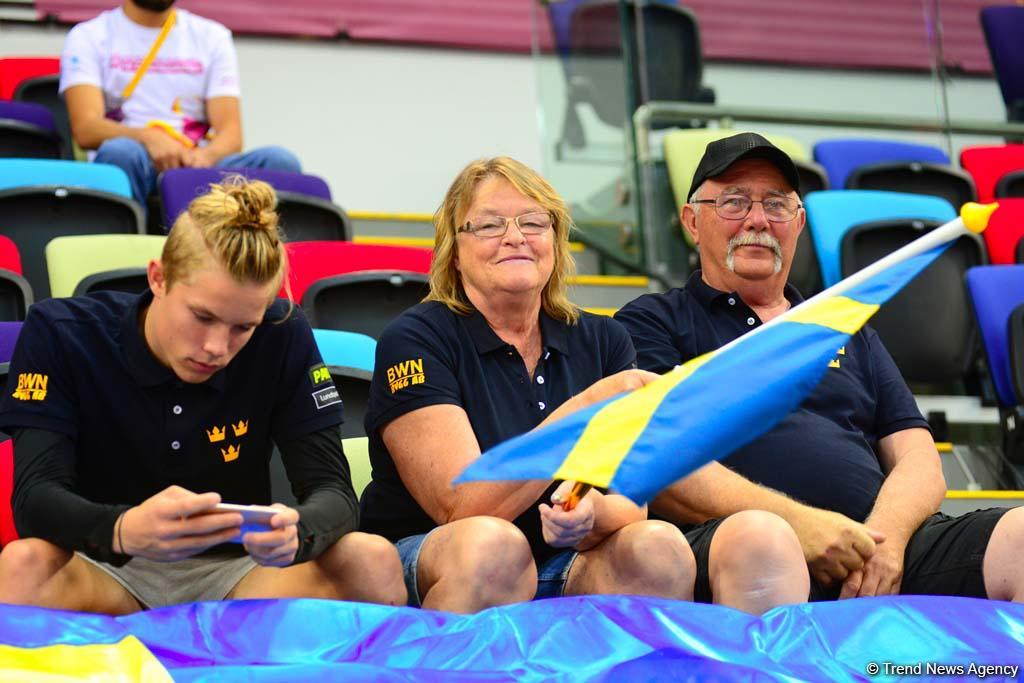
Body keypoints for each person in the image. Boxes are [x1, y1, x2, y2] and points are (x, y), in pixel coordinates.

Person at [615, 131, 1024, 605]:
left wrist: (882, 543)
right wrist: (803, 525)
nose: (758, 220)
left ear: (800, 222)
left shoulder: (845, 326)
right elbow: (657, 461)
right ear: (692, 220)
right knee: (765, 542)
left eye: (776, 205)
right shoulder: (652, 323)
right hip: (742, 539)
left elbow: (919, 458)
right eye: (734, 202)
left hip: (877, 549)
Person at [0, 178, 405, 614]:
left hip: (240, 574)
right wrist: (121, 530)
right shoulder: (60, 332)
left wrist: (299, 530)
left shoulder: (282, 334)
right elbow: (35, 498)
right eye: (202, 316)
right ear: (158, 277)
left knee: (372, 560)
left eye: (242, 328)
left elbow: (334, 491)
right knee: (23, 567)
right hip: (104, 563)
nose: (216, 347)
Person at [359, 157, 697, 613]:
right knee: (494, 548)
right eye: (489, 225)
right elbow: (460, 508)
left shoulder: (604, 340)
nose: (515, 237)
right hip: (434, 556)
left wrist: (590, 516)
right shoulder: (416, 338)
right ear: (454, 251)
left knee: (659, 548)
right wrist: (584, 409)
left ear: (555, 242)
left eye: (533, 222)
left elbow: (633, 504)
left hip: (559, 559)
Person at [59, 0, 302, 207]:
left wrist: (206, 156)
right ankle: (128, 248)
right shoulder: (89, 36)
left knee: (280, 161)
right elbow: (86, 128)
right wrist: (149, 138)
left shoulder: (213, 37)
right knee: (120, 151)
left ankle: (269, 258)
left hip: (197, 160)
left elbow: (231, 134)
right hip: (137, 159)